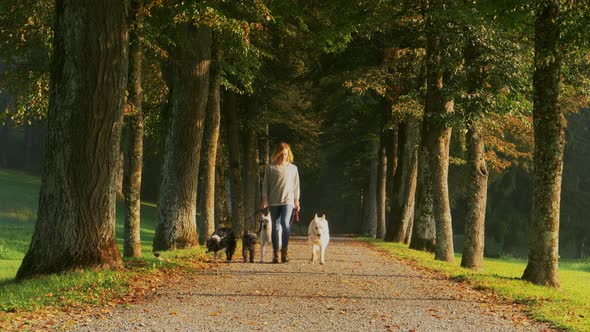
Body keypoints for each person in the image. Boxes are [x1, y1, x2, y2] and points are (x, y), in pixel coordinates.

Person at [261, 142, 300, 263]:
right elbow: (265, 185)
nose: (284, 156)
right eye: (282, 154)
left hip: (288, 201)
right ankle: (275, 253)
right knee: (275, 227)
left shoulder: (293, 168)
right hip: (273, 201)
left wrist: (296, 201)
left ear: (289, 154)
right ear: (277, 154)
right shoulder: (270, 168)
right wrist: (264, 199)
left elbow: (296, 186)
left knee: (285, 224)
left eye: (286, 154)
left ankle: (285, 251)